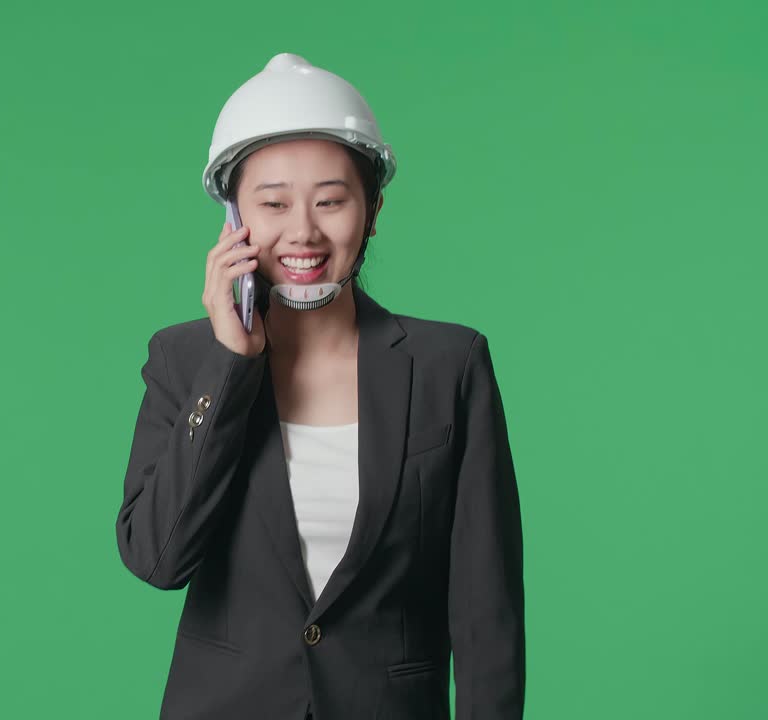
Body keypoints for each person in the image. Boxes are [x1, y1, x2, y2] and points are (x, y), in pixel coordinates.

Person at [115, 53, 525, 720]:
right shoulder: (184, 360)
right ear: (233, 218)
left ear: (373, 209)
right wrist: (230, 364)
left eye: (331, 201)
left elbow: (487, 607)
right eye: (273, 203)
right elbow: (157, 559)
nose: (303, 231)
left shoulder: (450, 364)